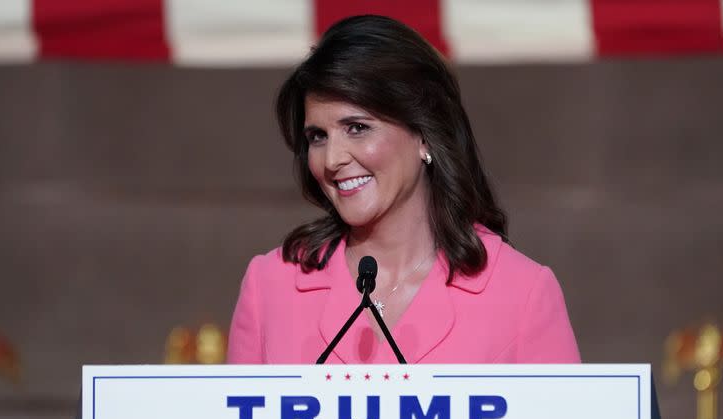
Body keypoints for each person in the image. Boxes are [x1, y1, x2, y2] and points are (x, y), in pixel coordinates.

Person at [227, 15, 579, 365]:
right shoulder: (270, 285)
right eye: (318, 136)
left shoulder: (522, 292)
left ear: (425, 134)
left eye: (357, 128)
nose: (331, 159)